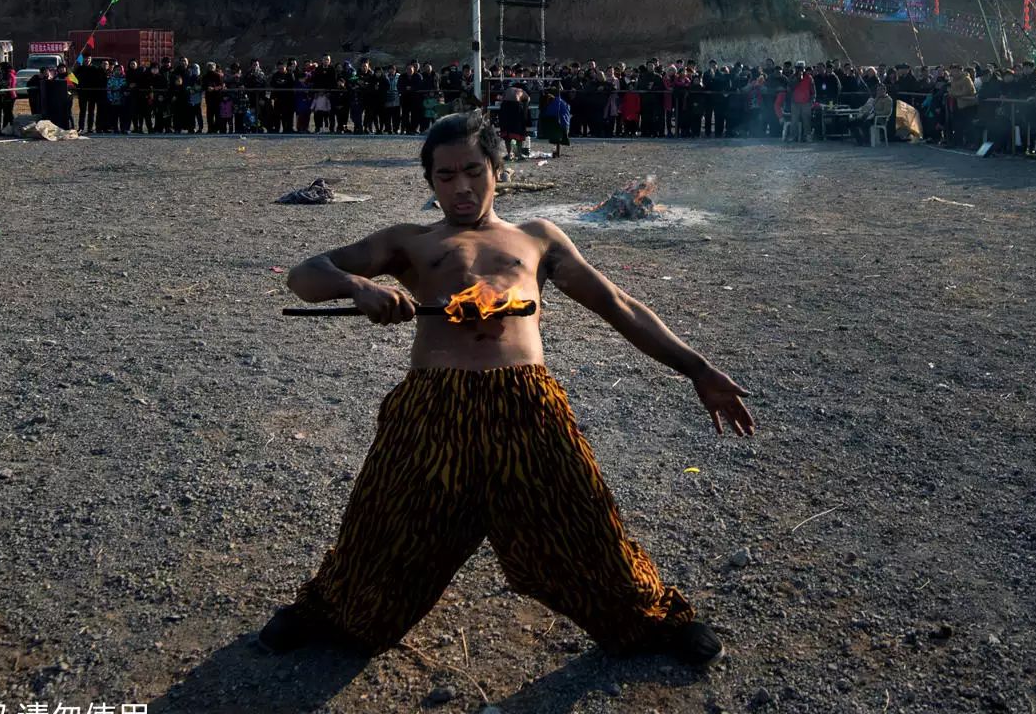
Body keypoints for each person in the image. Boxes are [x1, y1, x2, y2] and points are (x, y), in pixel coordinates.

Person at [264, 113, 752, 665]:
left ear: (499, 170)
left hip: (527, 406)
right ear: (430, 182)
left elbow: (618, 305)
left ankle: (650, 620)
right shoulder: (413, 243)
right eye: (444, 176)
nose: (461, 187)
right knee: (382, 530)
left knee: (583, 527)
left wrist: (698, 370)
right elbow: (304, 276)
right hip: (431, 407)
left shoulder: (536, 239)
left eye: (473, 170)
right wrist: (357, 286)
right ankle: (330, 610)